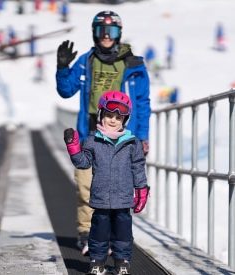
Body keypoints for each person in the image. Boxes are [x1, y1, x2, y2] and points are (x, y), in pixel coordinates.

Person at [56, 10, 150, 256]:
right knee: (86, 186)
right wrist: (63, 67)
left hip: (123, 139)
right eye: (101, 31)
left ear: (119, 34)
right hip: (90, 133)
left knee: (119, 187)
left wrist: (142, 136)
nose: (106, 36)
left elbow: (142, 102)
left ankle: (114, 237)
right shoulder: (87, 60)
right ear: (94, 34)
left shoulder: (134, 65)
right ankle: (87, 232)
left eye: (112, 31)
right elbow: (66, 90)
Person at [63, 91, 150, 275]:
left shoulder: (132, 143)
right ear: (101, 114)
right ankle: (97, 262)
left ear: (124, 120)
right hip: (101, 199)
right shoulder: (92, 141)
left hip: (123, 199)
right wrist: (74, 148)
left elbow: (138, 168)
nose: (113, 120)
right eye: (109, 115)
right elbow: (83, 162)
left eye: (119, 117)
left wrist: (141, 189)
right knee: (98, 233)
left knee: (123, 235)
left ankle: (122, 262)